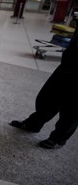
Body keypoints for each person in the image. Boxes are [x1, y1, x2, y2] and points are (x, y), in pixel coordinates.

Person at [9, 17, 77, 149]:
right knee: (48, 95)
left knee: (72, 108)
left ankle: (58, 138)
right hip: (70, 62)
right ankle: (34, 123)